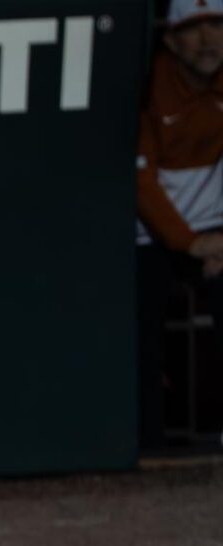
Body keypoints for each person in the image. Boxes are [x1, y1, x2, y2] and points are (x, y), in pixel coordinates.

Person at [136, 0, 223, 445]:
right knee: (140, 325)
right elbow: (140, 183)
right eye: (194, 27)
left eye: (217, 24)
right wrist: (190, 244)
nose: (209, 38)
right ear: (170, 39)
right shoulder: (149, 86)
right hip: (153, 235)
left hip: (215, 232)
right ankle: (148, 444)